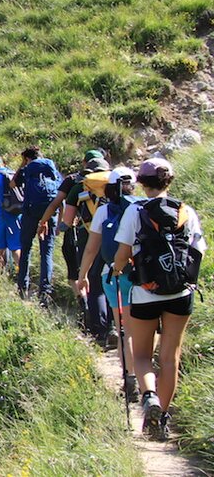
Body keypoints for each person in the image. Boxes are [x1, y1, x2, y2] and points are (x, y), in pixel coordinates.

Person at [112, 158, 206, 441]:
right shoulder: (185, 211)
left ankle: (149, 396)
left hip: (145, 292)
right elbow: (198, 250)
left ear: (141, 183)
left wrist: (117, 269)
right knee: (170, 358)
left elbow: (122, 253)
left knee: (141, 354)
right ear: (170, 181)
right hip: (181, 293)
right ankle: (161, 419)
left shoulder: (135, 210)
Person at [76, 166, 141, 400]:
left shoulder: (104, 211)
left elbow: (91, 249)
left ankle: (130, 379)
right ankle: (146, 375)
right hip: (141, 276)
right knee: (144, 328)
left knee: (125, 330)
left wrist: (82, 276)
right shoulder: (142, 207)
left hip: (113, 275)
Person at [61, 156, 114, 344]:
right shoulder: (117, 183)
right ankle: (115, 326)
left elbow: (67, 220)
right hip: (116, 236)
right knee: (112, 277)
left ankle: (99, 331)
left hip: (89, 235)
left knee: (94, 280)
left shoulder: (80, 186)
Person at [14, 146, 62, 305]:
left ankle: (22, 288)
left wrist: (22, 166)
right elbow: (61, 194)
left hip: (30, 212)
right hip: (50, 212)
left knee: (26, 248)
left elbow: (13, 184)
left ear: (27, 158)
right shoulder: (51, 169)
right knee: (46, 252)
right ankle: (45, 293)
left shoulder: (27, 169)